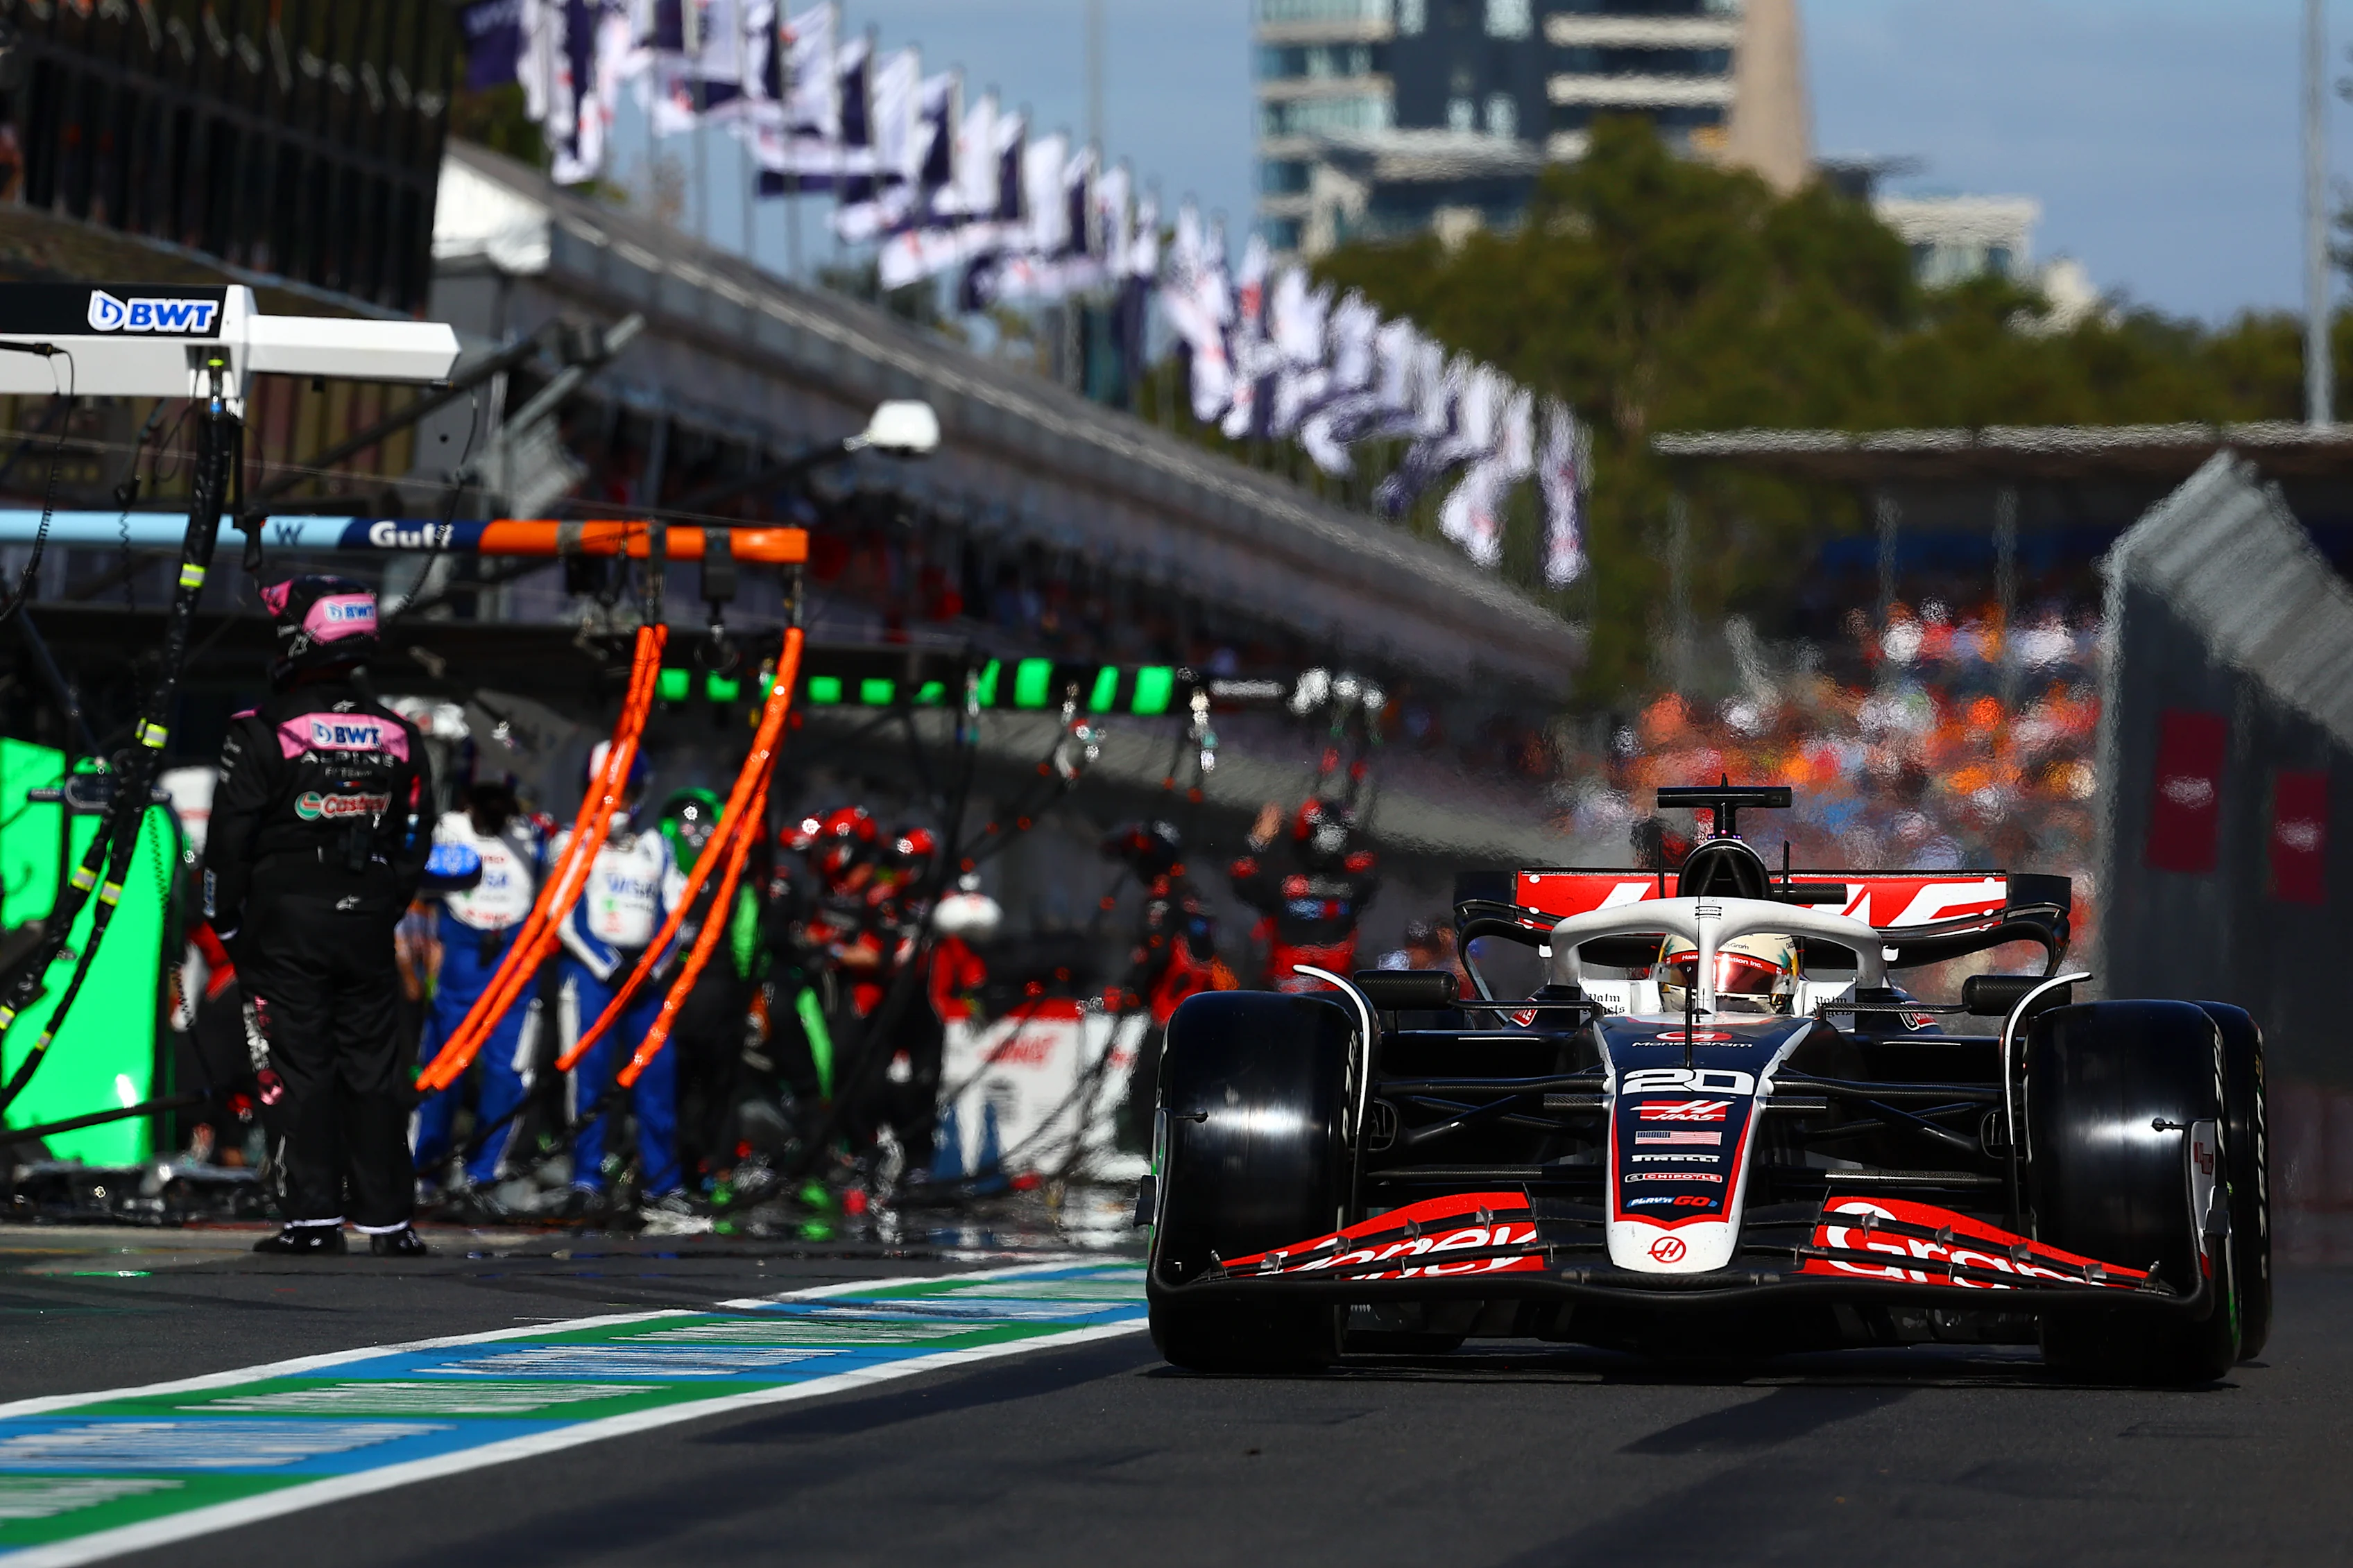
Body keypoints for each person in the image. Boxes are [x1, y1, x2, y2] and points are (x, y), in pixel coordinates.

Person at [202, 576, 434, 1256]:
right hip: (366, 921)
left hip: (285, 925)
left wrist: (225, 919)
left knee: (301, 1068)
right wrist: (382, 903)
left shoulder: (262, 731)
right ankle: (390, 1221)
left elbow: (227, 842)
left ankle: (312, 1219)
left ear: (297, 638)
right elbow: (416, 835)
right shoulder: (397, 733)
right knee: (374, 1068)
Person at [551, 743, 687, 1224]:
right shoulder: (571, 842)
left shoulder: (657, 844)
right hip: (594, 973)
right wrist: (610, 964)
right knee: (587, 1078)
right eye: (609, 791)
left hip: (647, 977)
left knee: (658, 1075)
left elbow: (677, 913)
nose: (619, 801)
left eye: (627, 791)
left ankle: (664, 1184)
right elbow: (562, 913)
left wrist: (652, 965)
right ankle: (586, 1179)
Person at [411, 781, 546, 1212]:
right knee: (441, 1071)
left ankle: (483, 1173)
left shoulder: (530, 836)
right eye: (484, 806)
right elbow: (420, 878)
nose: (492, 816)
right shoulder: (448, 829)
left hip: (513, 959)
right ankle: (421, 1170)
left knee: (509, 1073)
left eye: (501, 807)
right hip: (461, 958)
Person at [1102, 820, 1222, 1149]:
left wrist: (1129, 991)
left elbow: (1154, 956)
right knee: (1192, 1093)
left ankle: (1151, 1165)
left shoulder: (1163, 899)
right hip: (1203, 1012)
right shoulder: (1194, 897)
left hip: (1172, 1015)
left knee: (1145, 1090)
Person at [1228, 797, 1381, 992]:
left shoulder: (1354, 874)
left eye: (1338, 830)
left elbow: (1370, 877)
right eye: (1326, 829)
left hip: (1336, 985)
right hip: (1284, 981)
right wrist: (1257, 841)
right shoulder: (1282, 871)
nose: (1333, 837)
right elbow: (1241, 878)